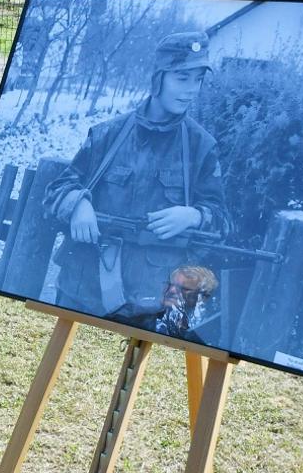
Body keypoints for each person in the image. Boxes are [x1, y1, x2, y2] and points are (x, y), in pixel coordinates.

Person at [42, 30, 231, 326]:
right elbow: (58, 188)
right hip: (82, 289)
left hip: (151, 299)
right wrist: (78, 204)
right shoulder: (108, 134)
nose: (191, 90)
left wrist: (193, 216)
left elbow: (221, 220)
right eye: (182, 78)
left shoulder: (200, 146)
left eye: (198, 80)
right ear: (158, 79)